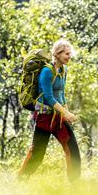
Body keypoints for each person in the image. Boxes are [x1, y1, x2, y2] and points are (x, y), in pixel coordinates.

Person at [18, 39, 81, 182]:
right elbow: (49, 97)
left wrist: (67, 112)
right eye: (66, 53)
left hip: (58, 117)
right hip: (44, 117)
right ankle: (21, 180)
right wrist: (65, 113)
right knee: (37, 153)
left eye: (70, 54)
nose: (69, 56)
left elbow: (61, 94)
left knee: (72, 149)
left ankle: (76, 184)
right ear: (57, 54)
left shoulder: (63, 70)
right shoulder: (47, 71)